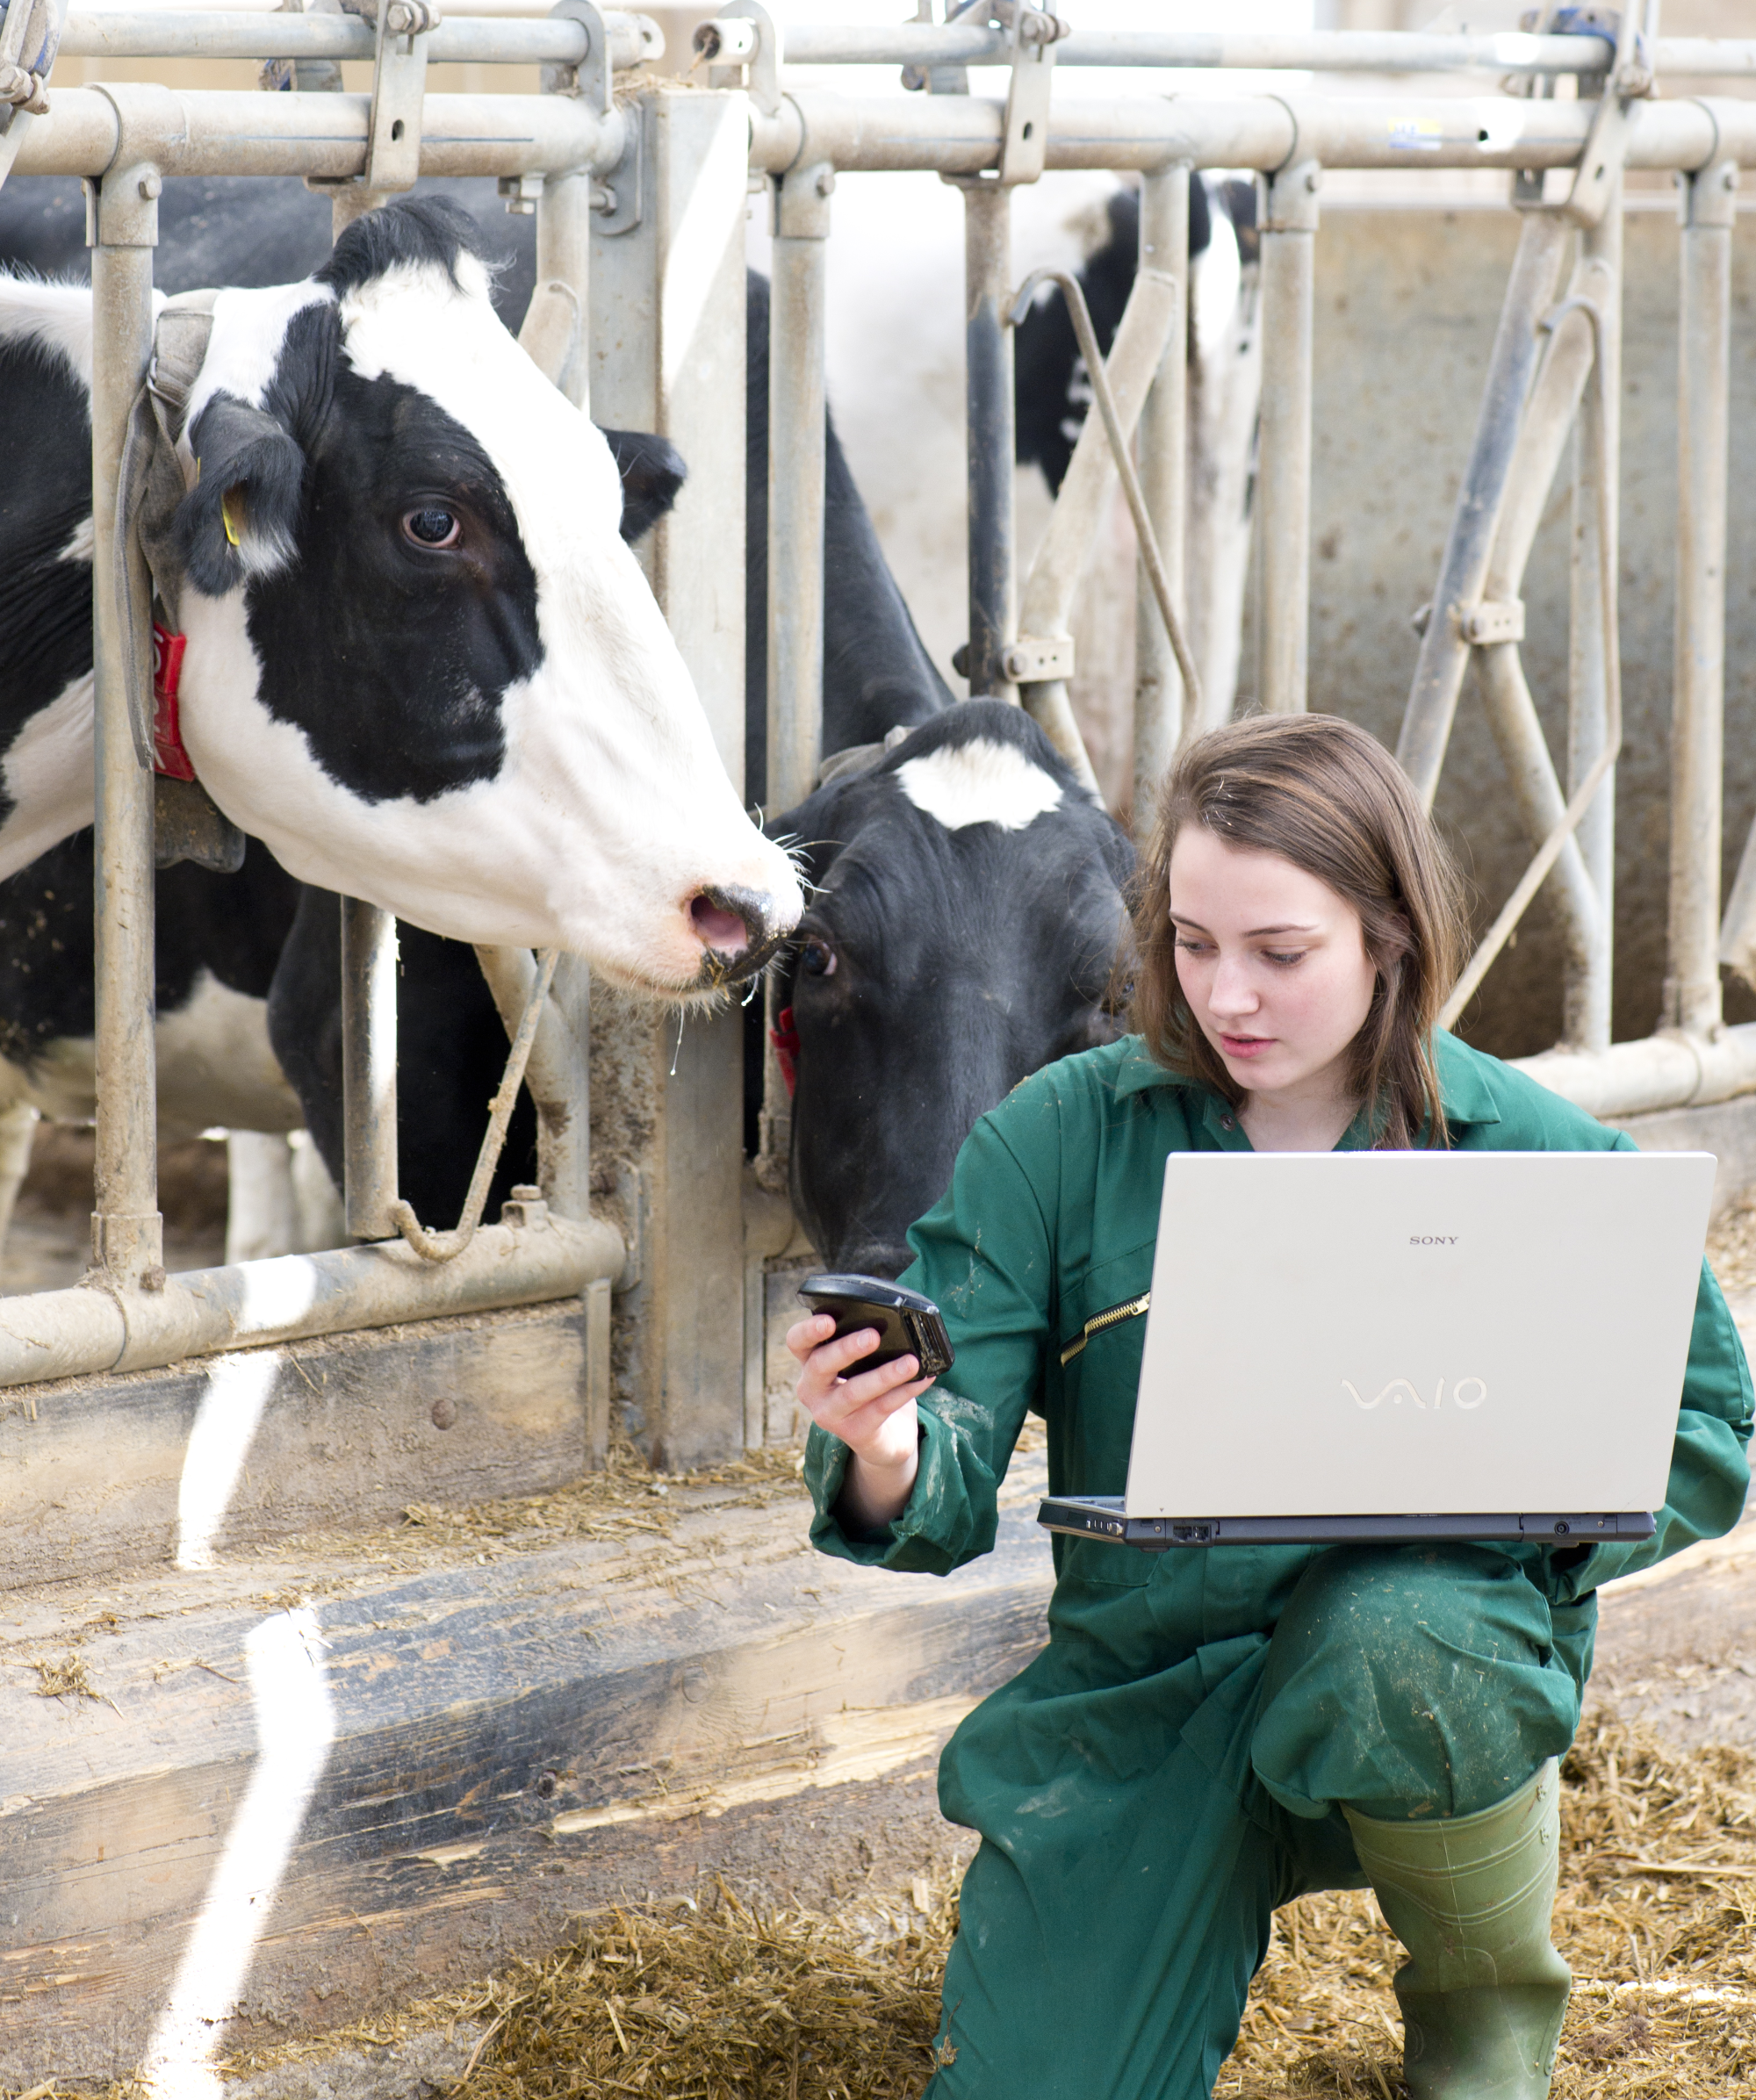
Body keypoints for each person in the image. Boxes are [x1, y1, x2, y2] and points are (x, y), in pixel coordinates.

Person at [787, 714, 1752, 2100]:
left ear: (1387, 938)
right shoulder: (1057, 1137)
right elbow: (939, 1475)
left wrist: (1530, 1524)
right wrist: (883, 1445)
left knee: (1403, 1637)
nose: (1225, 994)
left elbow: (1711, 1429)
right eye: (1189, 944)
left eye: (1279, 954)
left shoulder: (1527, 1150)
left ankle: (1483, 1998)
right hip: (1143, 1704)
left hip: (1422, 1661)